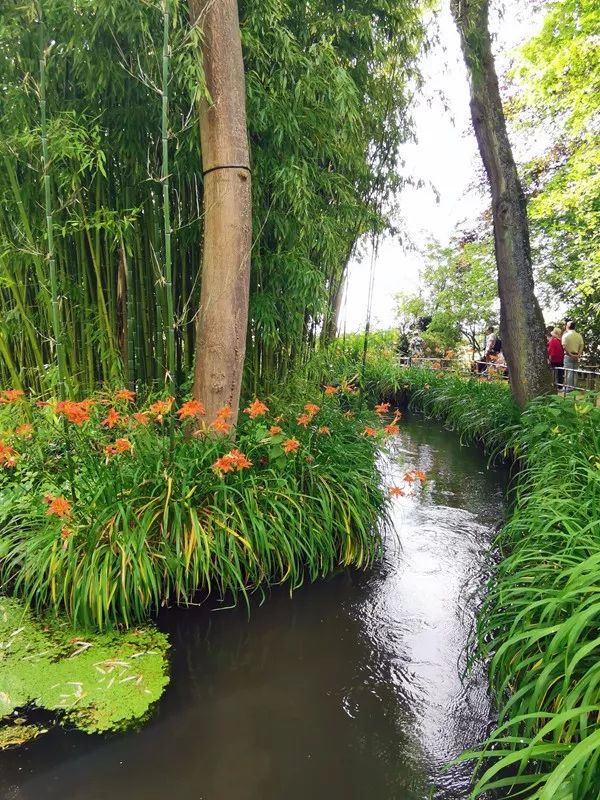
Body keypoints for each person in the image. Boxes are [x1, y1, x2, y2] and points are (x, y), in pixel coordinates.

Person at [561, 321, 584, 391]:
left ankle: (568, 388)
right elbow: (582, 345)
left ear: (567, 326)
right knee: (575, 372)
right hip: (576, 355)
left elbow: (564, 346)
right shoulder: (579, 335)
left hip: (568, 355)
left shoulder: (565, 335)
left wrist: (570, 354)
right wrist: (579, 354)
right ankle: (574, 387)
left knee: (568, 372)